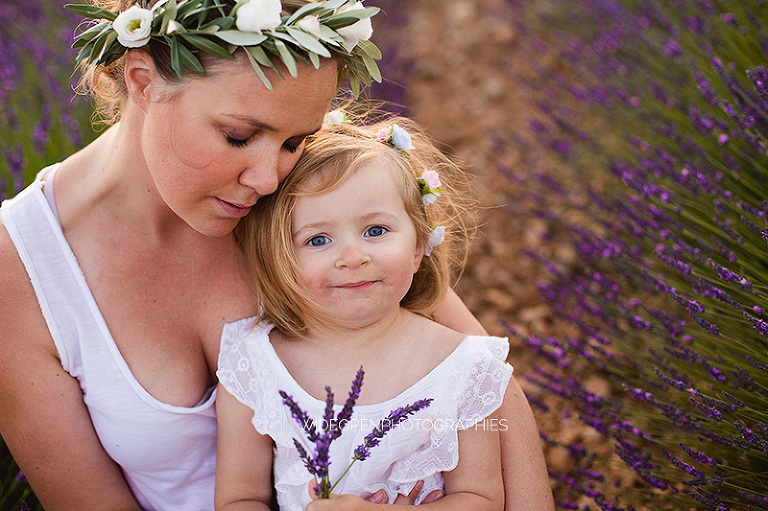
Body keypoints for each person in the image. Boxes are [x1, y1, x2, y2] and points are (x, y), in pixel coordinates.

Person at [0, 0, 552, 509]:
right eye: (239, 136)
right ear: (143, 80)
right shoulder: (22, 267)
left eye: (294, 141)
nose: (268, 179)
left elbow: (488, 385)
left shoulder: (318, 194)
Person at [215, 117, 552, 510]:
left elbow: (481, 497)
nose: (353, 257)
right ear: (279, 261)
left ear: (417, 247)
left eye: (375, 230)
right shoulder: (255, 363)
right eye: (318, 239)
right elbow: (239, 498)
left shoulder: (464, 368)